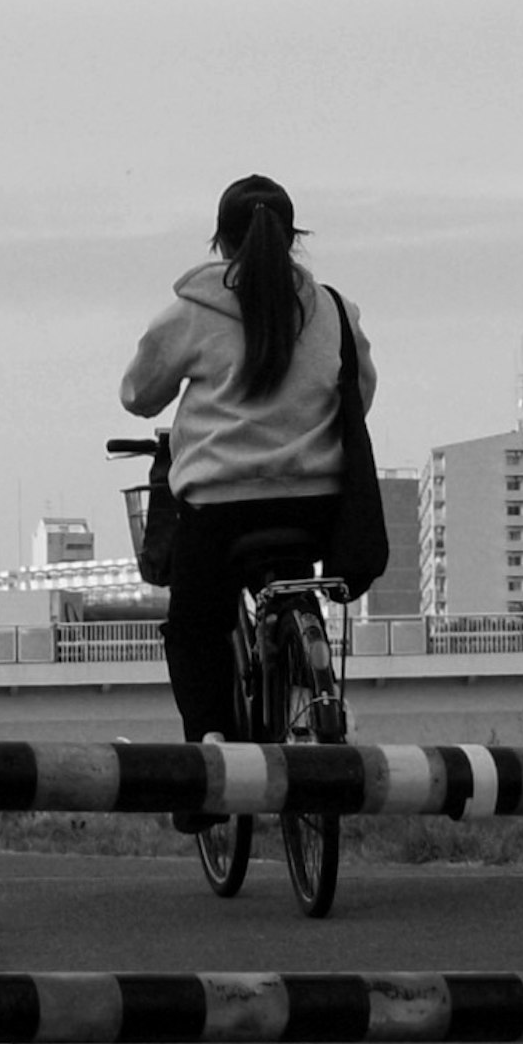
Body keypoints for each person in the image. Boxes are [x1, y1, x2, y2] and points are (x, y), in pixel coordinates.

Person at [120, 172, 378, 766]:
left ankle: (210, 748)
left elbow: (138, 394)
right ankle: (309, 678)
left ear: (221, 242)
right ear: (294, 238)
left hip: (219, 510)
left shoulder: (193, 311)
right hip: (317, 507)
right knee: (285, 580)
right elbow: (358, 396)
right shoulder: (335, 311)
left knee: (194, 628)